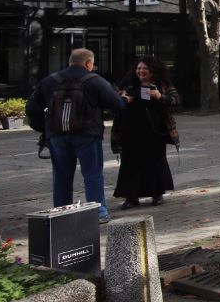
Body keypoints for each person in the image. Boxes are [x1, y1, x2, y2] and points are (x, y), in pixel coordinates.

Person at [26, 48, 126, 220]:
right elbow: (117, 105)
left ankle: (62, 213)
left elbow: (31, 108)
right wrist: (124, 99)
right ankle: (98, 212)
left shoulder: (51, 80)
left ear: (70, 61)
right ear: (88, 63)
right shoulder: (94, 80)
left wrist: (45, 129)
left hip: (57, 136)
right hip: (87, 134)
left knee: (61, 176)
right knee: (92, 174)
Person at [111, 57, 180, 209]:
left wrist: (160, 97)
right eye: (138, 69)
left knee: (155, 162)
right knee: (130, 164)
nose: (141, 72)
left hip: (155, 132)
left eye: (145, 69)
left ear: (152, 71)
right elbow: (115, 101)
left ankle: (157, 194)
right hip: (131, 131)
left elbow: (176, 101)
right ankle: (131, 196)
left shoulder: (162, 85)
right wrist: (123, 99)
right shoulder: (128, 84)